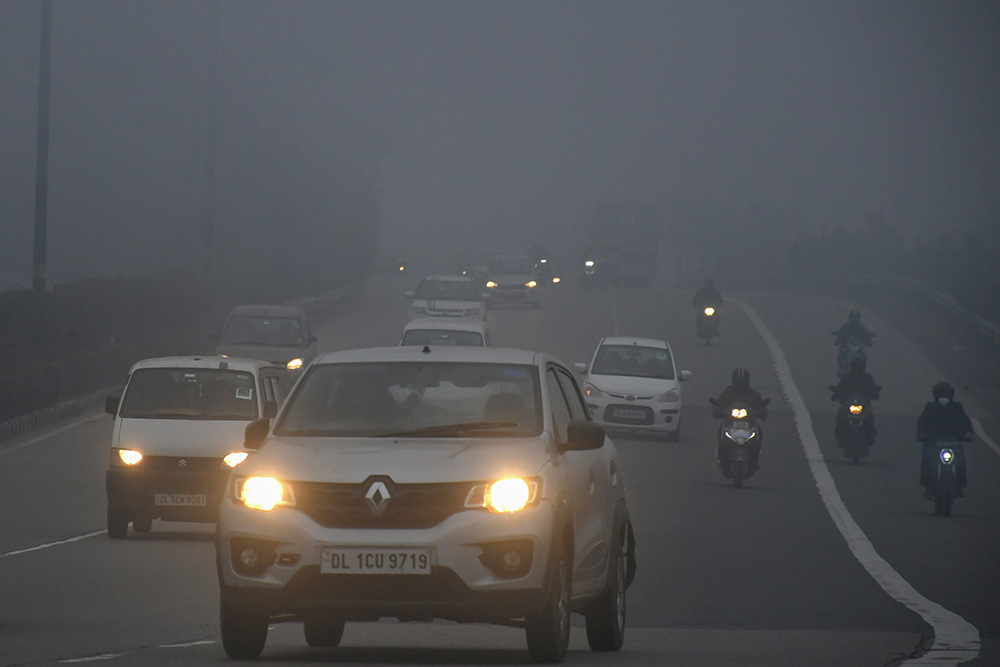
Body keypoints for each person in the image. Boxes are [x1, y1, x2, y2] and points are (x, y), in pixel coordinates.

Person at [917, 382, 973, 498]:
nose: (943, 396)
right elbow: (922, 422)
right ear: (935, 395)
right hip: (933, 443)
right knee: (927, 458)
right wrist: (922, 434)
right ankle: (928, 485)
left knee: (961, 461)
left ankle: (960, 485)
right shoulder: (930, 408)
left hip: (954, 442)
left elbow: (964, 422)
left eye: (946, 394)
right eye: (940, 394)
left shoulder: (957, 408)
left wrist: (967, 433)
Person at [712, 368, 769, 471]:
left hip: (749, 423)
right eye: (738, 381)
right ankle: (722, 455)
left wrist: (762, 412)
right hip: (730, 422)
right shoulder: (728, 392)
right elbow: (719, 403)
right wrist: (718, 411)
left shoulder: (753, 393)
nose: (740, 384)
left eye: (742, 381)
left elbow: (761, 405)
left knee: (759, 432)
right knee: (721, 429)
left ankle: (755, 458)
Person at [830, 356, 881, 444]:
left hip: (863, 405)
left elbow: (873, 388)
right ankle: (840, 434)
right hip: (848, 404)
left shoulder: (867, 377)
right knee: (840, 416)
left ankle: (870, 433)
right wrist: (835, 394)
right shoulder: (848, 377)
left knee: (870, 416)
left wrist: (875, 393)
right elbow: (839, 388)